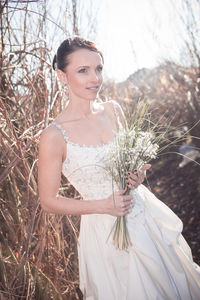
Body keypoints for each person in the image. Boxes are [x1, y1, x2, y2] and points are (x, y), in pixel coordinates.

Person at [38, 36, 200, 300]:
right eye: (83, 70)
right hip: (106, 232)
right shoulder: (54, 135)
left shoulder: (113, 110)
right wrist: (103, 205)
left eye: (98, 68)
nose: (95, 79)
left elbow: (133, 161)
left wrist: (139, 174)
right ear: (62, 75)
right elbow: (48, 201)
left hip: (144, 216)